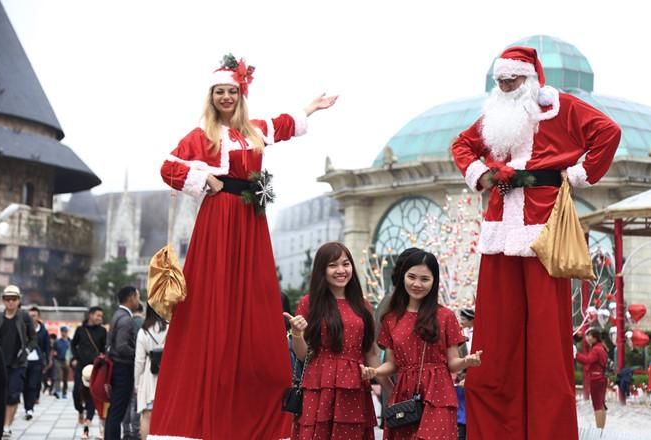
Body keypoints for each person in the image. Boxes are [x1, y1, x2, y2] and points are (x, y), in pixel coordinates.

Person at [149, 54, 337, 440]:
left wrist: (311, 108)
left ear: (240, 94)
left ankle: (255, 408)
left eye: (231, 91)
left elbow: (283, 125)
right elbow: (168, 167)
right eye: (219, 91)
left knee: (253, 297)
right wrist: (204, 179)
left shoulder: (253, 130)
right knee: (215, 295)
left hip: (251, 219)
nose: (225, 97)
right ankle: (204, 406)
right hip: (220, 218)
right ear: (211, 96)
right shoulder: (202, 134)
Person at [451, 46, 621, 439]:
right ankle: (497, 431)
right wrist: (482, 174)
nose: (505, 86)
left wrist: (576, 175)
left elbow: (608, 132)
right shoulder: (495, 116)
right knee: (496, 338)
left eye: (511, 79)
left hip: (543, 230)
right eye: (500, 81)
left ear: (529, 78)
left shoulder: (560, 107)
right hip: (500, 230)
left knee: (547, 340)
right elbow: (461, 145)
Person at [364, 250, 482, 440]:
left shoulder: (445, 316)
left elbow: (452, 363)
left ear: (434, 281)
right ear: (403, 277)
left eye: (425, 279)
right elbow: (392, 364)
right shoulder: (391, 318)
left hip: (440, 394)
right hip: (404, 395)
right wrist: (375, 372)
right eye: (412, 277)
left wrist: (466, 362)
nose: (417, 284)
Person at [285, 241, 384, 439]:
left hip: (353, 386)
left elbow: (371, 353)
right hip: (319, 384)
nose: (341, 270)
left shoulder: (362, 305)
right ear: (322, 270)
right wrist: (296, 333)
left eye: (346, 264)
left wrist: (389, 387)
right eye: (333, 265)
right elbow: (303, 355)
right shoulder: (309, 303)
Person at [0, 285, 37, 438]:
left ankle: (6, 426)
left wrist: (26, 351)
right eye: (7, 299)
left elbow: (33, 339)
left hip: (17, 363)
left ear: (19, 300)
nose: (10, 302)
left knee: (13, 394)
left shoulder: (24, 317)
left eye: (13, 299)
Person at [105, 286, 140, 440]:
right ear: (131, 298)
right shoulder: (126, 319)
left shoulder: (118, 315)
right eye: (137, 297)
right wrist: (139, 354)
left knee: (114, 410)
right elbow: (121, 347)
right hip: (123, 369)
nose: (138, 301)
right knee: (117, 411)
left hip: (117, 367)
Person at [134, 306, 168, 440]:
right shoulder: (171, 327)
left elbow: (139, 361)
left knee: (147, 415)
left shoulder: (144, 331)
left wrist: (137, 383)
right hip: (167, 374)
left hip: (149, 375)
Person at [72, 307, 107, 432]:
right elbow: (73, 345)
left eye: (101, 316)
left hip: (95, 366)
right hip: (81, 365)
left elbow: (104, 348)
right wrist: (75, 358)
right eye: (98, 315)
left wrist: (102, 361)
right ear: (90, 315)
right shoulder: (80, 330)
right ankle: (80, 410)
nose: (100, 318)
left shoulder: (103, 331)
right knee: (77, 391)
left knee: (92, 392)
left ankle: (89, 417)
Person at [574, 328, 608, 431]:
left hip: (596, 378)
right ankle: (602, 429)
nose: (587, 338)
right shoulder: (601, 347)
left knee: (597, 405)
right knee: (601, 404)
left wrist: (575, 354)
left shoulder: (596, 349)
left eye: (590, 336)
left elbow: (587, 360)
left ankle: (599, 429)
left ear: (595, 338)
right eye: (587, 335)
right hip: (601, 378)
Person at [23, 306, 49, 420]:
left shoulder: (43, 331)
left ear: (38, 317)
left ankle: (30, 409)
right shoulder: (23, 329)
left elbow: (47, 347)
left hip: (37, 361)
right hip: (23, 361)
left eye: (34, 316)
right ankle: (27, 407)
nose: (31, 318)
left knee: (33, 385)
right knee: (25, 386)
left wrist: (46, 360)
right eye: (30, 316)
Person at [122, 303, 144, 440]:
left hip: (125, 364)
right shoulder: (144, 324)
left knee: (126, 400)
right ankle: (136, 431)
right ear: (142, 311)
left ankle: (126, 431)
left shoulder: (126, 322)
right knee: (137, 401)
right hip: (139, 365)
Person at [456, 308, 474, 440]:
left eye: (463, 319)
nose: (461, 321)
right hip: (459, 379)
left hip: (471, 377)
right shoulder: (460, 332)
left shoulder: (475, 334)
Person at [55, 325, 72, 398]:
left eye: (65, 331)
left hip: (67, 361)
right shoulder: (57, 342)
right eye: (63, 331)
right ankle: (57, 391)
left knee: (65, 378)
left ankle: (64, 392)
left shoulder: (70, 341)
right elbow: (54, 350)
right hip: (58, 360)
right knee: (58, 376)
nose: (64, 333)